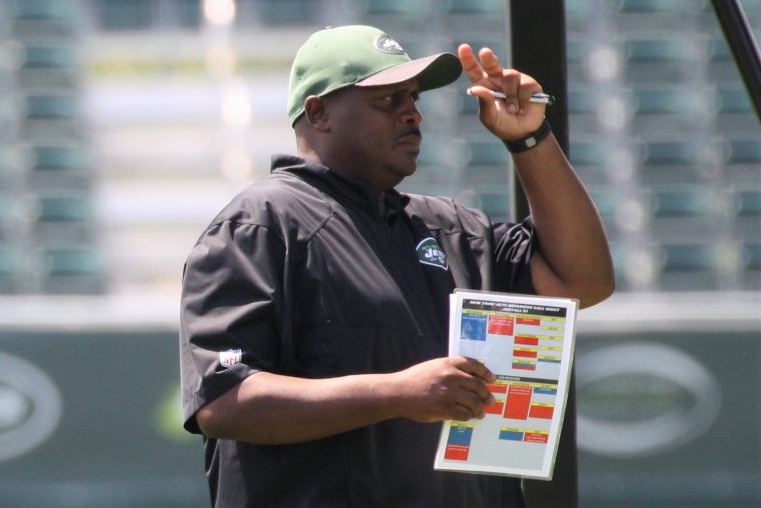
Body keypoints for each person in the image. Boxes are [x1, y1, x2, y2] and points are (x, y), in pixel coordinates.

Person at [179, 25, 614, 508]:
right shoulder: (260, 224)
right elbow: (223, 402)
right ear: (319, 112)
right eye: (388, 100)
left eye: (413, 98)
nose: (412, 113)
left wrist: (530, 138)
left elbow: (583, 281)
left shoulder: (451, 228)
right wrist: (398, 393)